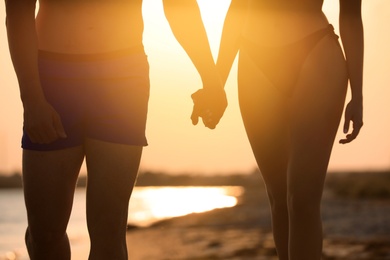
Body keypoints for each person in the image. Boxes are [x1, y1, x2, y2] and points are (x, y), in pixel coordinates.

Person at [5, 0, 226, 259]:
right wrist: (31, 97)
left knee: (109, 232)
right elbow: (18, 11)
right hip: (52, 79)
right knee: (44, 234)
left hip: (123, 78)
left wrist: (211, 79)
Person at [198, 0, 364, 259]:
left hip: (316, 51)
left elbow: (351, 15)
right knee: (278, 198)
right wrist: (217, 83)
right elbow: (237, 7)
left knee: (302, 200)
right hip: (254, 59)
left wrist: (358, 94)